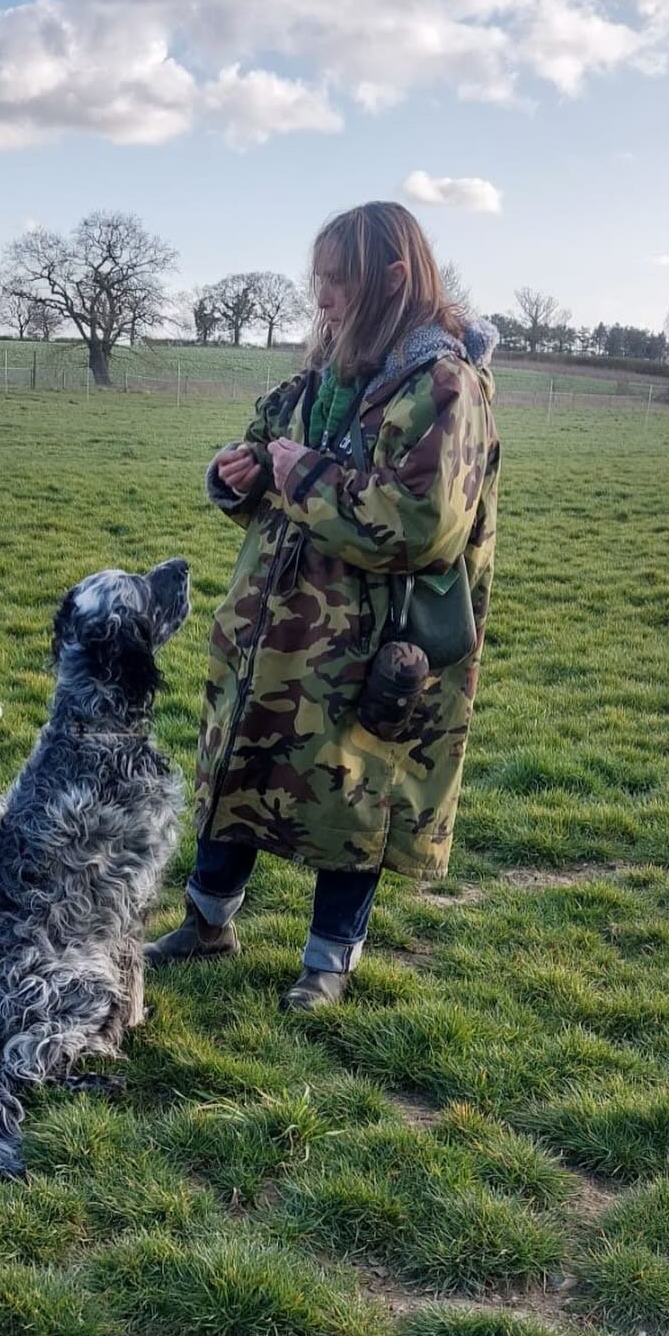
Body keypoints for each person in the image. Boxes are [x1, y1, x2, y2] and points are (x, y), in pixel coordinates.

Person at [145, 201, 501, 1010]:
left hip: (367, 643)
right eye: (318, 280)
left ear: (393, 279)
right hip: (268, 629)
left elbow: (421, 526)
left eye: (337, 281)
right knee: (239, 764)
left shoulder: (444, 387)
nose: (322, 297)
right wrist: (235, 473)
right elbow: (264, 441)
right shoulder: (322, 373)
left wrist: (300, 474)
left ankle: (328, 963)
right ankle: (206, 922)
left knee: (355, 790)